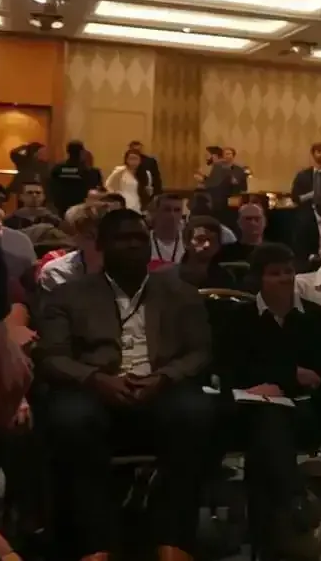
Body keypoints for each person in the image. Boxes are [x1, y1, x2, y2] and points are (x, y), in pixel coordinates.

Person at [36, 208, 215, 560]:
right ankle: (95, 545)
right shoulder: (69, 295)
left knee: (197, 413)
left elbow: (200, 352)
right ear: (102, 246)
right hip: (93, 389)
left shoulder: (180, 293)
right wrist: (96, 379)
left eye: (139, 238)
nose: (134, 245)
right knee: (70, 419)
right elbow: (52, 356)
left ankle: (173, 541)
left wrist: (164, 377)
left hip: (160, 386)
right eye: (123, 238)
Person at [219, 243, 321, 559]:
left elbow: (319, 373)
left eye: (288, 271)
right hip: (252, 408)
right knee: (267, 422)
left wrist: (277, 377)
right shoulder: (239, 318)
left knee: (265, 443)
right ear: (259, 278)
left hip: (305, 407)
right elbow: (231, 370)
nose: (284, 278)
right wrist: (290, 374)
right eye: (275, 273)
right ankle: (293, 500)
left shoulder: (313, 316)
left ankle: (265, 539)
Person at [46, 140, 102, 215]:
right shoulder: (91, 172)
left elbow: (50, 188)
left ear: (67, 152)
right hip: (83, 209)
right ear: (82, 152)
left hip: (61, 208)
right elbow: (97, 191)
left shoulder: (57, 169)